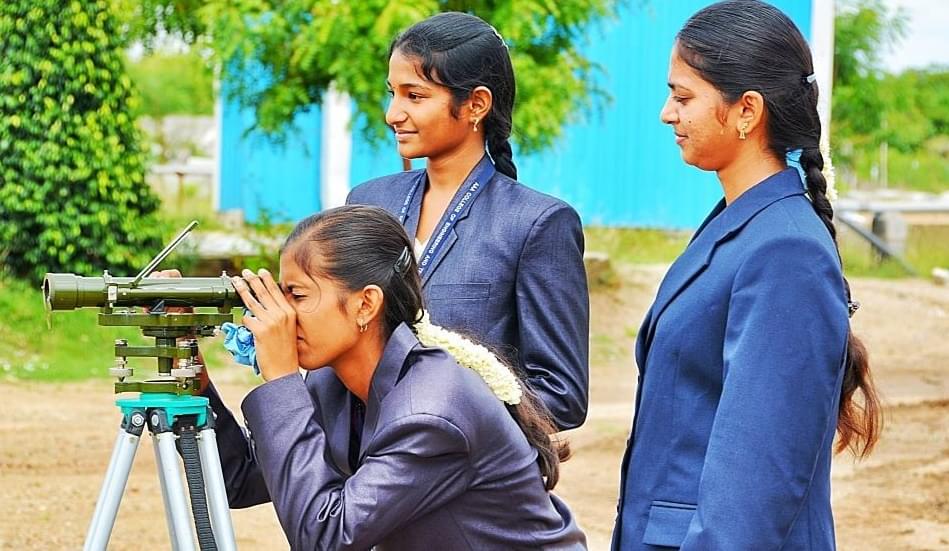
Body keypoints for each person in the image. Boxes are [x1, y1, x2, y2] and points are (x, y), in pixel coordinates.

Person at [612, 2, 883, 549]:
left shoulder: (785, 249)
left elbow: (754, 487)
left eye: (684, 97)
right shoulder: (742, 222)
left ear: (746, 111)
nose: (668, 113)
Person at [206, 205, 586, 550]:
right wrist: (190, 368)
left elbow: (325, 538)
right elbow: (242, 479)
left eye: (298, 296)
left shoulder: (430, 411)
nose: (283, 314)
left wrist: (282, 381)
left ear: (366, 304)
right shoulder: (333, 385)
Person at [346, 12, 589, 431]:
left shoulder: (537, 223)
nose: (392, 114)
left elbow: (560, 396)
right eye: (392, 94)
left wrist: (440, 423)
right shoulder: (368, 202)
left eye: (414, 96)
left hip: (464, 482)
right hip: (359, 470)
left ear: (476, 104)